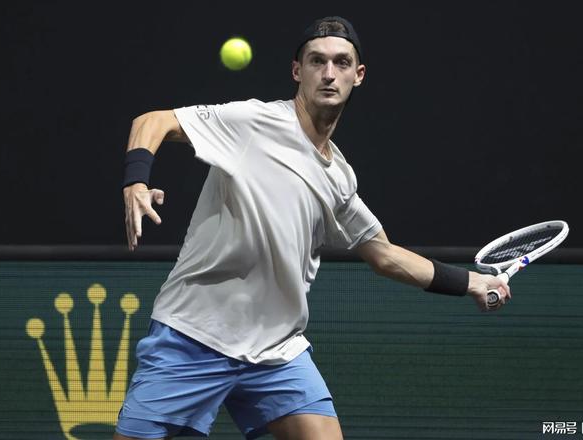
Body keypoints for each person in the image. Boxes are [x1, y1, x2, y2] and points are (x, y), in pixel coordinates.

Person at [116, 16, 510, 440]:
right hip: (195, 334)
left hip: (276, 352)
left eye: (341, 63)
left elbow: (385, 255)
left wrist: (471, 282)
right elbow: (151, 122)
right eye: (317, 61)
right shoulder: (254, 122)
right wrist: (136, 182)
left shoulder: (339, 178)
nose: (329, 73)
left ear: (358, 75)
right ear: (296, 71)